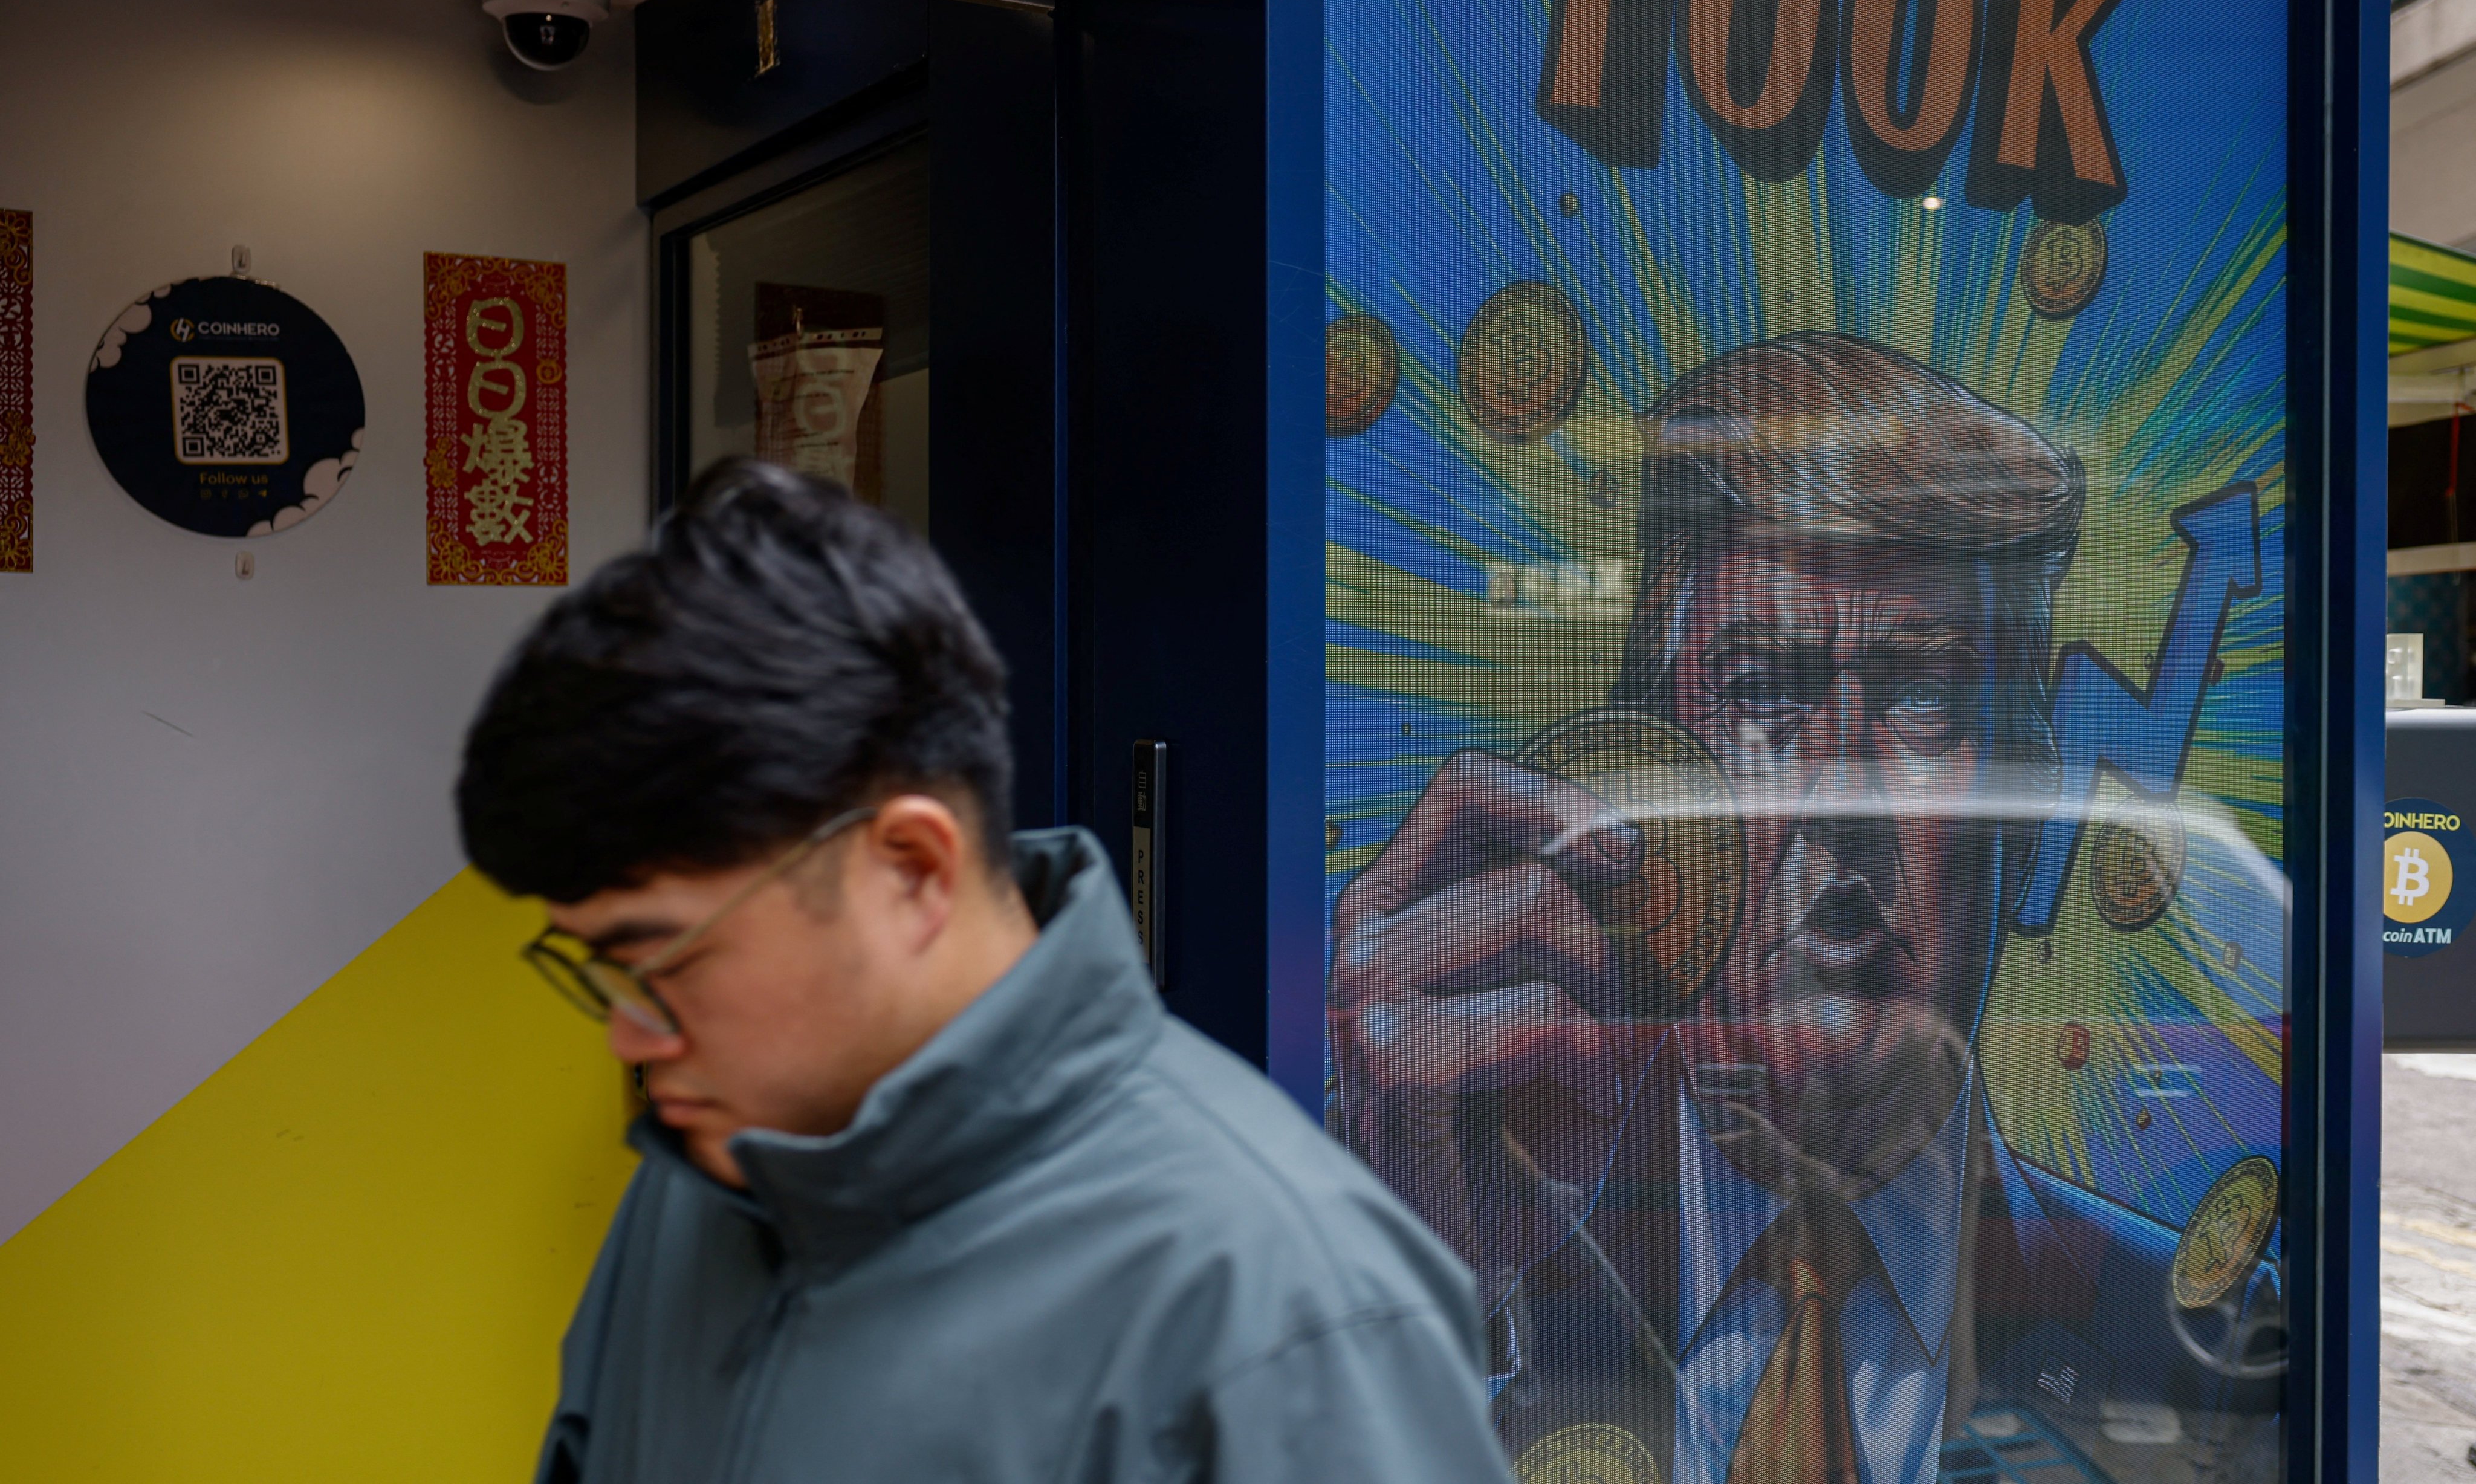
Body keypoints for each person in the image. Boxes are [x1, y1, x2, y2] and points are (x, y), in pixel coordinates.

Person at [1328, 333, 2280, 1483]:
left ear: (2027, 803)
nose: (1842, 796)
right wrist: (1431, 1294)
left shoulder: (2174, 1331)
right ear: (1654, 779)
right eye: (1764, 691)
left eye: (1924, 698)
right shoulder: (1501, 1248)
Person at [458, 458, 1514, 1484]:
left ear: (914, 869)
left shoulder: (1284, 1304)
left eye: (663, 961)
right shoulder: (699, 1188)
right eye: (599, 970)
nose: (631, 1038)